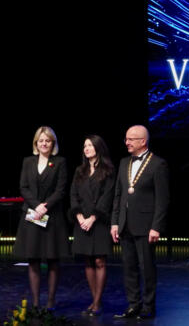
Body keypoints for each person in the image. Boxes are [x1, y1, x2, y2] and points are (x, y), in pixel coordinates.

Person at [111, 125, 170, 319]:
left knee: (147, 268)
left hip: (146, 225)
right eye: (126, 139)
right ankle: (133, 305)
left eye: (131, 139)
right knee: (129, 267)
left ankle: (148, 306)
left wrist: (156, 227)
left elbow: (162, 200)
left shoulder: (158, 164)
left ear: (143, 141)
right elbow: (118, 195)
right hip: (125, 223)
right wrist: (114, 222)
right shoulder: (124, 163)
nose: (126, 142)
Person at [13, 126, 70, 310]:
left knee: (53, 260)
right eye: (41, 141)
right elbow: (23, 187)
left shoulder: (60, 162)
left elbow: (61, 190)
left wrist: (45, 206)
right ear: (36, 143)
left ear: (53, 143)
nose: (44, 144)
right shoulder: (28, 161)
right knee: (33, 259)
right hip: (32, 214)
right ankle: (36, 303)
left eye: (47, 141)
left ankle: (51, 301)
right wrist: (36, 205)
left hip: (52, 216)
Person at [70, 135, 115, 316]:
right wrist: (79, 216)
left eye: (90, 145)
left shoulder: (108, 170)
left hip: (99, 221)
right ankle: (95, 300)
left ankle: (97, 303)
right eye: (84, 146)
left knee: (99, 261)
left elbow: (107, 197)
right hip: (82, 221)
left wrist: (93, 217)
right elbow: (73, 195)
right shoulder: (79, 171)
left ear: (98, 147)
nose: (86, 148)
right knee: (88, 261)